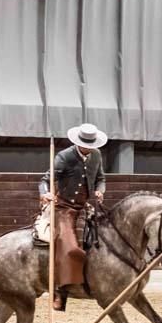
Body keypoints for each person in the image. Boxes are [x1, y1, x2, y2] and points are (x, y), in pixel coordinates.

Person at [39, 123, 107, 312]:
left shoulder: (97, 155)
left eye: (91, 145)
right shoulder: (64, 157)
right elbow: (45, 179)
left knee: (106, 238)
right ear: (79, 142)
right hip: (64, 208)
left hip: (85, 207)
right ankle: (61, 291)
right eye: (86, 144)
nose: (88, 148)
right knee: (69, 247)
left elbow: (101, 178)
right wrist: (46, 194)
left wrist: (100, 191)